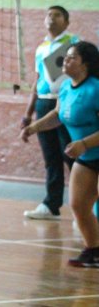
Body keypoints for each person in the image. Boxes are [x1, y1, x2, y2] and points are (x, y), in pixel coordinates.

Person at [21, 41, 99, 267]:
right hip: (87, 158)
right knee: (78, 205)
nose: (65, 60)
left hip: (88, 148)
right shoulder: (66, 88)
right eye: (66, 57)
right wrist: (33, 127)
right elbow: (57, 114)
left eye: (72, 57)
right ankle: (93, 251)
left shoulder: (95, 89)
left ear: (86, 64)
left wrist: (83, 143)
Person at [21, 6, 79, 219]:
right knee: (51, 158)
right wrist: (28, 113)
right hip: (44, 103)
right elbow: (38, 80)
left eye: (57, 15)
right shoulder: (42, 48)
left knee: (72, 155)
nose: (51, 18)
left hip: (65, 103)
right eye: (48, 15)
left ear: (67, 21)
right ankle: (51, 205)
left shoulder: (73, 42)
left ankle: (83, 207)